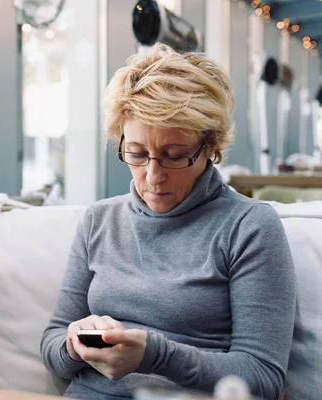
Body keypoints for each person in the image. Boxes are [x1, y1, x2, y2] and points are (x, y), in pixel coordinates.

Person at [40, 43, 296, 400]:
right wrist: (75, 343)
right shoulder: (99, 220)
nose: (153, 176)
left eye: (174, 156)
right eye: (137, 154)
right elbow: (52, 343)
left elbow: (263, 377)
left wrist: (156, 356)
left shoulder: (249, 226)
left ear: (211, 147)